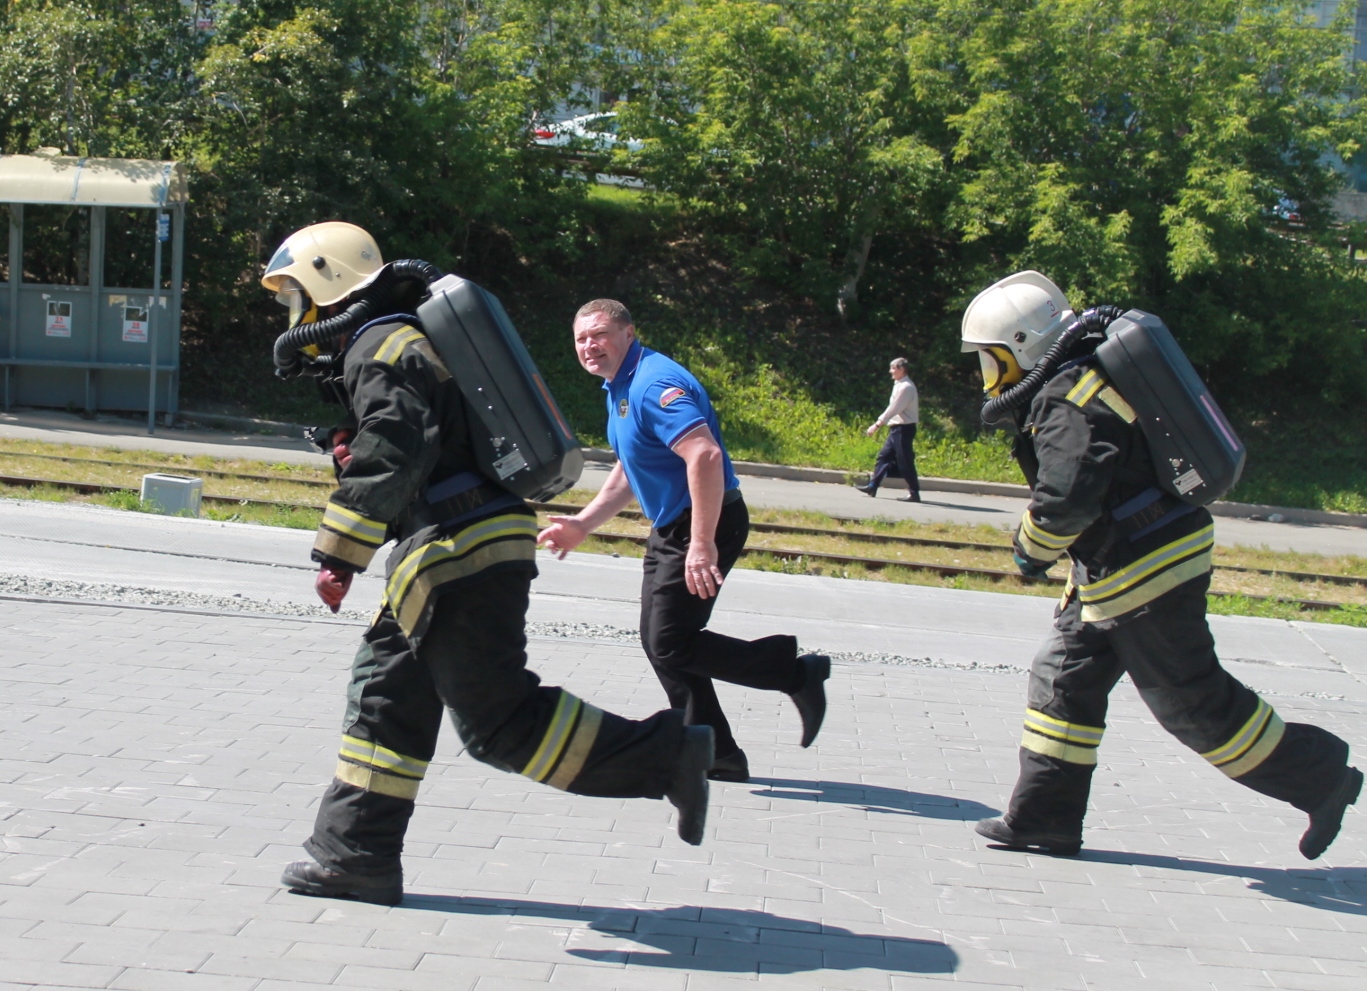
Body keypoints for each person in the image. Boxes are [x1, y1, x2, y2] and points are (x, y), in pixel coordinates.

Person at [262, 225, 715, 906]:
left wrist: (338, 551)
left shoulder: (377, 343)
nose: (295, 316)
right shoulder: (401, 335)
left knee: (500, 725)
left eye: (296, 294)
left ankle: (668, 754)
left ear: (327, 283)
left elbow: (396, 445)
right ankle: (354, 855)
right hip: (450, 548)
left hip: (458, 551)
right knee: (387, 697)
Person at [959, 270, 1360, 860]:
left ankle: (1321, 777)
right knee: (1062, 681)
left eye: (988, 360)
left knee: (1192, 707)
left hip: (1143, 572)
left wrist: (1030, 549)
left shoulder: (1067, 396)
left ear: (1021, 347)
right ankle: (1043, 816)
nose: (985, 377)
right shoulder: (1081, 380)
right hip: (1117, 570)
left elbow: (1067, 499)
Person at [536, 299, 831, 785]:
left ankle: (794, 676)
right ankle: (717, 752)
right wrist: (583, 524)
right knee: (663, 642)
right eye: (581, 339)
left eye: (600, 335)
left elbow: (706, 457)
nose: (589, 346)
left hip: (704, 522)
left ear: (629, 334)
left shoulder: (654, 385)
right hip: (675, 525)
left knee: (670, 642)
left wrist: (701, 544)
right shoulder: (620, 386)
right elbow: (632, 467)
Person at [856, 357, 920, 502]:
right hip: (896, 429)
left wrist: (877, 424)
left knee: (905, 462)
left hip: (904, 429)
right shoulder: (899, 385)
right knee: (883, 457)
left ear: (901, 369)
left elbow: (894, 409)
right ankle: (873, 486)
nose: (890, 371)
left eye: (893, 368)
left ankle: (914, 493)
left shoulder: (906, 387)